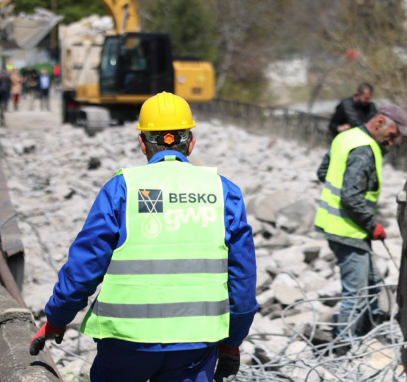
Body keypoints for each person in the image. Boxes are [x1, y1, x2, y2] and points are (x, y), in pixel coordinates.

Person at [29, 92, 258, 382]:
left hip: (126, 342)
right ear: (192, 141)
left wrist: (57, 320)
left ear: (142, 143)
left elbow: (83, 270)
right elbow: (243, 281)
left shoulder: (121, 189)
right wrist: (232, 341)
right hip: (195, 344)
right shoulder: (223, 192)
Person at [315, 103, 407, 338]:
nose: (394, 141)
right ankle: (343, 347)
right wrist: (372, 225)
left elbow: (322, 172)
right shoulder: (364, 150)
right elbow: (350, 196)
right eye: (393, 134)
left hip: (341, 227)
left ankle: (369, 333)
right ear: (380, 122)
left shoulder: (347, 137)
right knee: (357, 294)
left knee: (373, 284)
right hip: (348, 230)